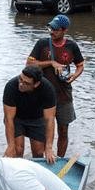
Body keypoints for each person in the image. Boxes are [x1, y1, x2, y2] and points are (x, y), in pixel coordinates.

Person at [26, 14, 84, 158]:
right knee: (42, 130)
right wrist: (51, 63)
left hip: (64, 96)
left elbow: (80, 65)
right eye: (50, 28)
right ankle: (42, 158)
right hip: (42, 97)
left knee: (63, 131)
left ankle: (60, 160)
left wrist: (74, 76)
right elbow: (29, 64)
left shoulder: (72, 46)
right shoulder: (42, 44)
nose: (51, 32)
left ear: (64, 30)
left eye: (55, 29)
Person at [3, 66, 57, 165]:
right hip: (16, 118)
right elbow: (8, 118)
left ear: (36, 84)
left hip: (37, 118)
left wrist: (49, 147)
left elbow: (50, 119)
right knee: (17, 150)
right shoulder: (11, 86)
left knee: (39, 152)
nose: (21, 84)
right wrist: (10, 146)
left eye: (26, 83)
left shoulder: (48, 89)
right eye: (20, 79)